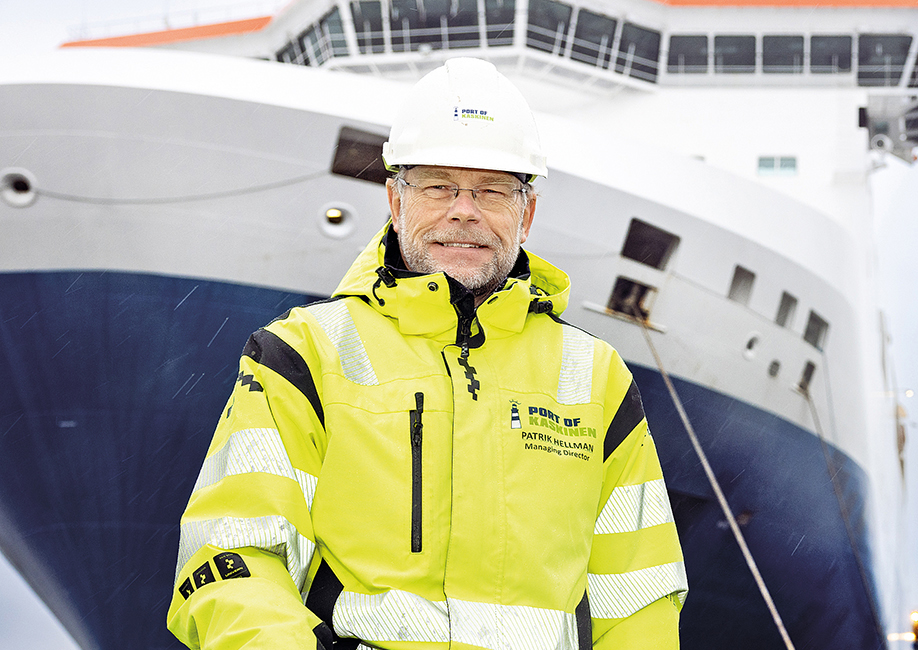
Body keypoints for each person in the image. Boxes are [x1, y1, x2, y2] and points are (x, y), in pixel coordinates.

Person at [165, 57, 687, 650]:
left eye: (492, 190)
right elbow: (231, 559)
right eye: (438, 186)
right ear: (395, 199)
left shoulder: (597, 379)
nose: (463, 211)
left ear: (528, 213)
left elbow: (639, 598)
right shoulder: (302, 355)